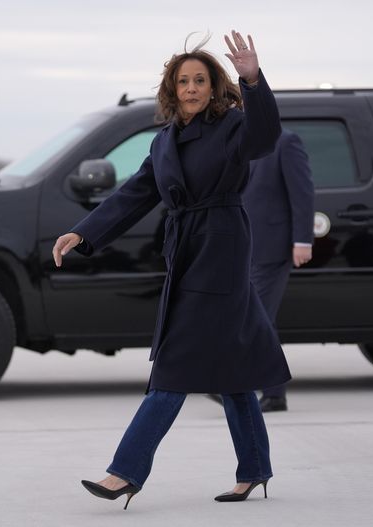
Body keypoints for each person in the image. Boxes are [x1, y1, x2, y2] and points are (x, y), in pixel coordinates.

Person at [53, 30, 291, 508]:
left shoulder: (233, 126)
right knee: (234, 372)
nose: (192, 88)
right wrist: (83, 232)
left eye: (201, 80)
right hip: (184, 253)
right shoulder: (163, 142)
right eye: (183, 81)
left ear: (213, 85)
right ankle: (256, 469)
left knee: (172, 368)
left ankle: (125, 471)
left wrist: (254, 81)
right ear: (172, 88)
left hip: (220, 250)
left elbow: (266, 138)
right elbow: (135, 194)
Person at [247, 129, 314, 412]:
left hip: (273, 247)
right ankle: (259, 388)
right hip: (243, 247)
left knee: (258, 317)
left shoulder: (285, 142)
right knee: (255, 318)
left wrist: (302, 240)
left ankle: (271, 393)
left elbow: (302, 192)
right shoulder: (237, 143)